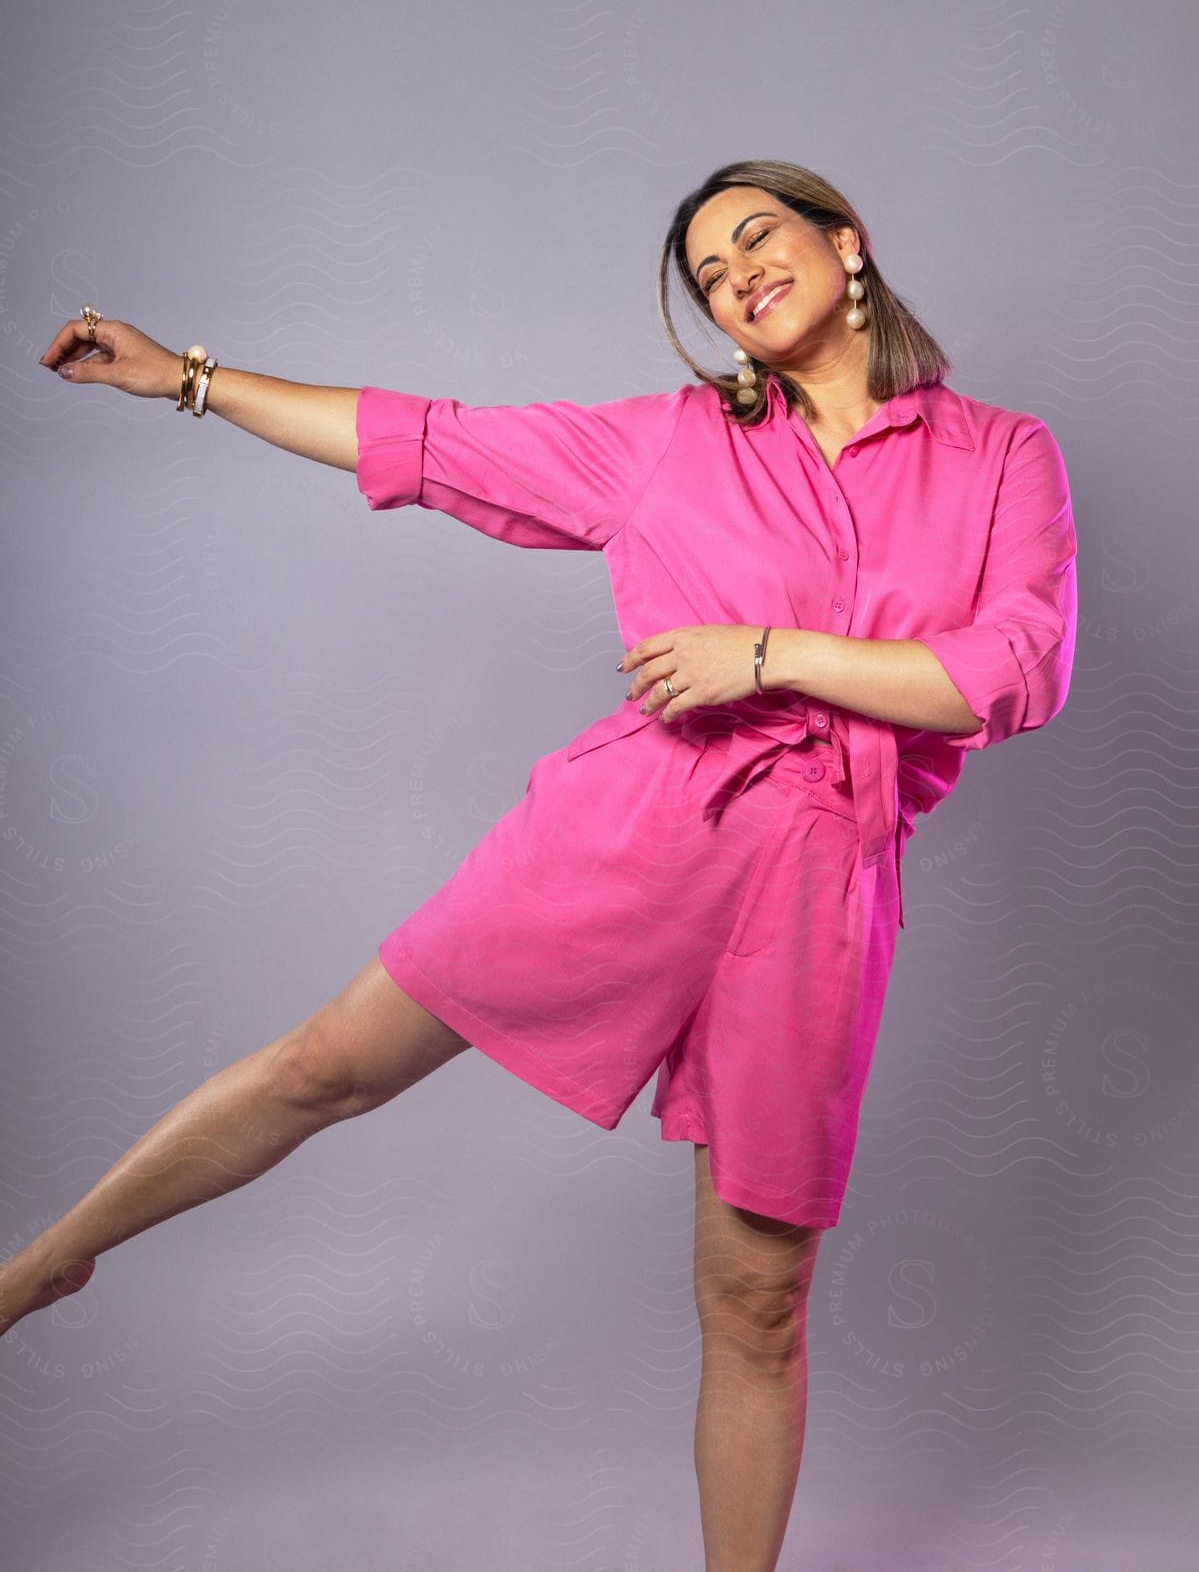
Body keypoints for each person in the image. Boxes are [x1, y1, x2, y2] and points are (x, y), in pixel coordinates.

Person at [3, 158, 1077, 1572]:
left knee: (759, 1296)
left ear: (846, 245)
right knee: (327, 1065)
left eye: (758, 237)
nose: (738, 275)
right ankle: (31, 1272)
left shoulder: (1003, 455)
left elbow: (1017, 671)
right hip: (636, 834)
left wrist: (763, 655)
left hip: (820, 894)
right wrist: (189, 379)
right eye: (707, 275)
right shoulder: (672, 441)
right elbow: (434, 441)